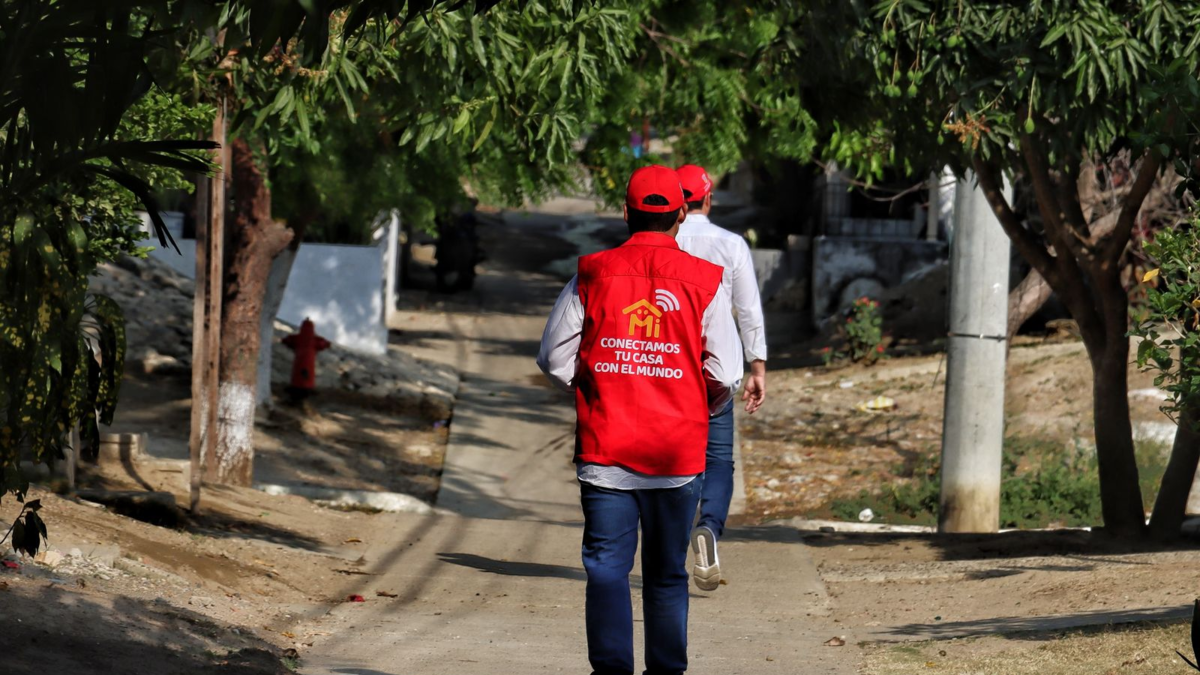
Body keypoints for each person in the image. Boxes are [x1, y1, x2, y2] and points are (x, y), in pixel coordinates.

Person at [537, 165, 742, 675]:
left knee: (607, 570)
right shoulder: (706, 281)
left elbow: (554, 359)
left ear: (625, 213)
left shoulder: (591, 274)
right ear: (681, 215)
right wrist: (698, 403)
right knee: (667, 576)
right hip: (676, 457)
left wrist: (597, 386)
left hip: (605, 450)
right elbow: (725, 372)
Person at [674, 164, 768, 592]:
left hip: (668, 369)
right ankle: (709, 526)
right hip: (715, 371)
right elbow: (747, 309)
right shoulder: (731, 245)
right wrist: (757, 366)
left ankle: (674, 541)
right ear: (708, 200)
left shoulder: (667, 242)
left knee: (672, 459)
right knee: (717, 461)